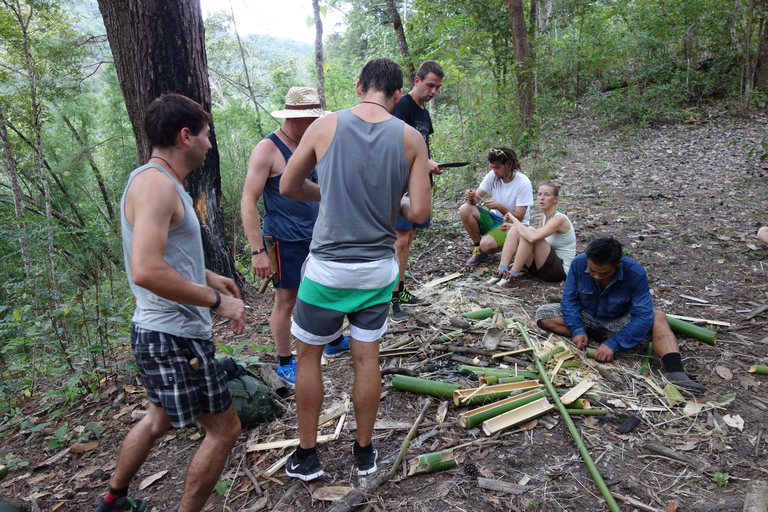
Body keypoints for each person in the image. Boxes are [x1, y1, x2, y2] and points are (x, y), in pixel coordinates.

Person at [279, 57, 431, 481]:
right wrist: (391, 203)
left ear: (359, 86)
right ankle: (364, 453)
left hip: (328, 269)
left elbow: (288, 186)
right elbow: (418, 211)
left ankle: (308, 456)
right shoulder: (411, 137)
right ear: (398, 94)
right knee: (367, 359)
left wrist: (327, 194)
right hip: (377, 270)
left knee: (308, 356)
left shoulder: (323, 127)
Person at [95, 94, 246, 512]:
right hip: (172, 336)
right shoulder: (156, 185)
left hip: (159, 332)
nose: (210, 145)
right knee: (224, 430)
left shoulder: (159, 182)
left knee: (157, 418)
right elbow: (145, 269)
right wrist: (217, 300)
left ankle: (113, 500)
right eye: (206, 136)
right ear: (186, 136)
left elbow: (166, 259)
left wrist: (209, 275)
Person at [241, 87, 348, 388]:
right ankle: (286, 360)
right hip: (284, 237)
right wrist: (257, 251)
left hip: (318, 234)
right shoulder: (268, 149)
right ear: (295, 117)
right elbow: (248, 201)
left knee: (325, 286)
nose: (316, 124)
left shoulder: (311, 143)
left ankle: (333, 339)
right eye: (310, 119)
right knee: (286, 300)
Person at [535, 237, 705, 394]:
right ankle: (598, 336)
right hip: (588, 318)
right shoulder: (578, 264)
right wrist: (577, 329)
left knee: (657, 316)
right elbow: (569, 300)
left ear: (618, 264)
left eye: (604, 273)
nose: (597, 276)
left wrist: (614, 344)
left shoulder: (636, 274)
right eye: (593, 271)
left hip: (619, 321)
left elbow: (643, 315)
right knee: (544, 313)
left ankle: (675, 371)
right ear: (587, 259)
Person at [389, 60, 445, 323]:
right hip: (402, 182)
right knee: (399, 240)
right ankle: (391, 296)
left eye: (437, 87)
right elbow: (395, 143)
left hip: (419, 182)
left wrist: (430, 166)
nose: (433, 91)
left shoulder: (423, 110)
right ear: (417, 80)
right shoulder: (403, 106)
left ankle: (400, 289)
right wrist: (423, 163)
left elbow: (424, 145)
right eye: (430, 85)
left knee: (409, 238)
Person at [488, 181, 576, 288]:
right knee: (515, 230)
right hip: (542, 265)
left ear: (555, 199)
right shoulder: (545, 216)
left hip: (559, 270)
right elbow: (535, 233)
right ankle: (502, 269)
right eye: (539, 194)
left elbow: (533, 237)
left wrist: (514, 219)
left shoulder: (559, 219)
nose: (542, 198)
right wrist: (513, 226)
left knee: (529, 235)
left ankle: (512, 276)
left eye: (547, 195)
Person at [459, 146, 533, 266]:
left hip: (514, 225)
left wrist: (500, 207)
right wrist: (471, 197)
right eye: (492, 167)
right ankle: (479, 250)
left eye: (497, 167)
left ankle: (513, 244)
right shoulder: (492, 176)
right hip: (495, 219)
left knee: (486, 244)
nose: (495, 171)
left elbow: (519, 218)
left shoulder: (523, 183)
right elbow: (475, 201)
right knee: (465, 209)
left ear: (508, 164)